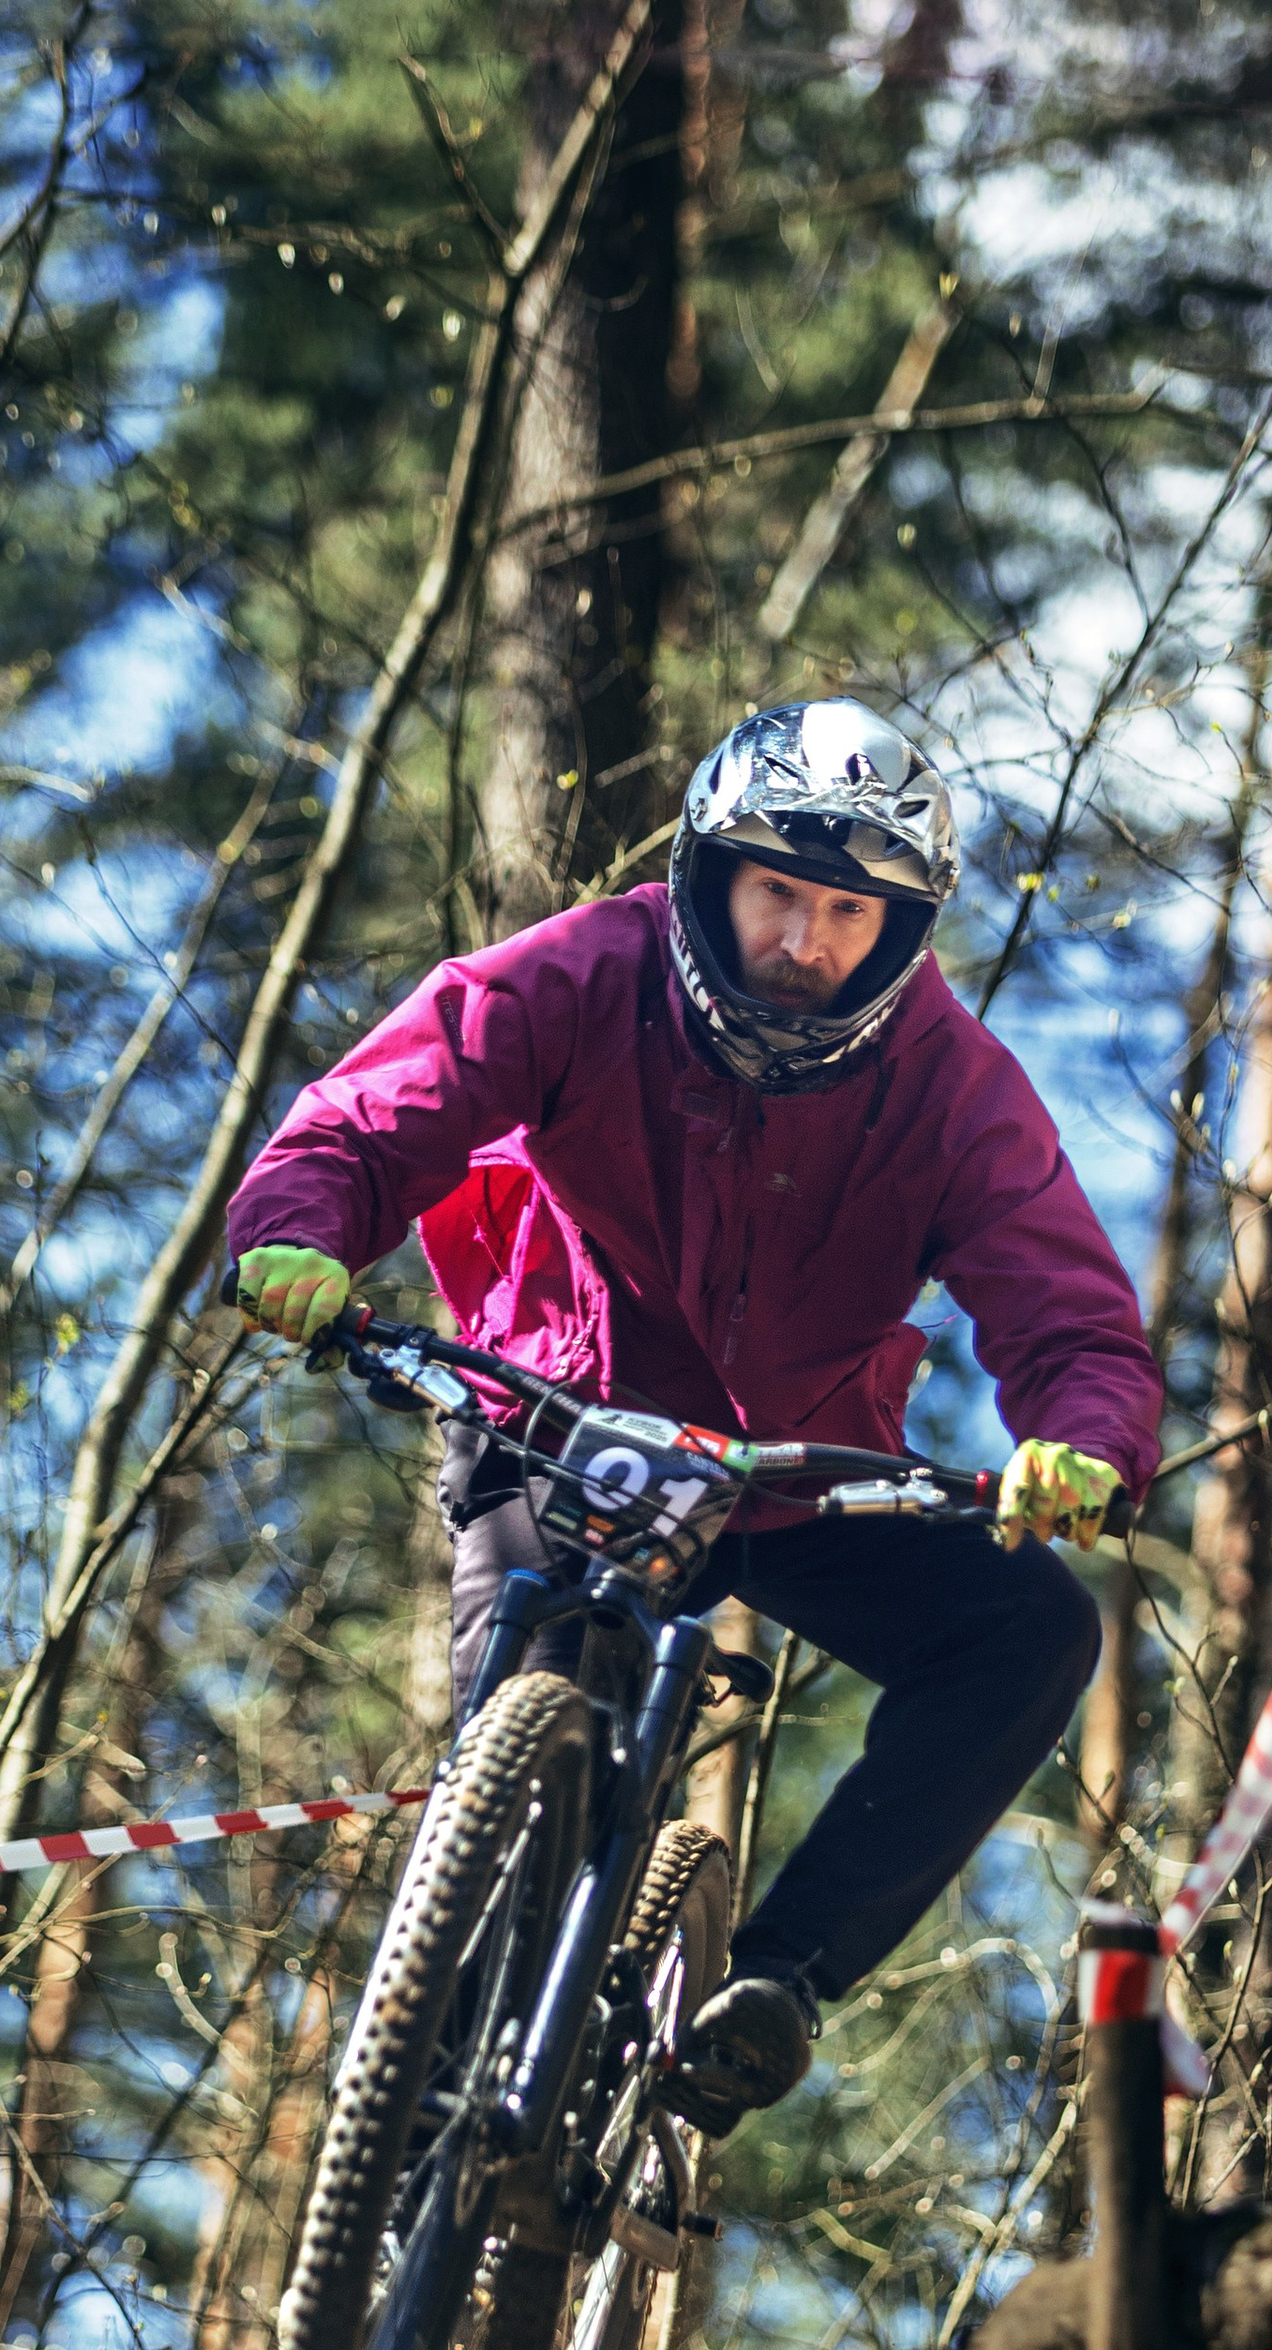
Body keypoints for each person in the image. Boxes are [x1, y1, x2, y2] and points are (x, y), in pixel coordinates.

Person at [225, 698, 1160, 2130]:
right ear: (707, 873)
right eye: (778, 892)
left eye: (849, 912)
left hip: (787, 1477)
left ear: (902, 929)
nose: (806, 942)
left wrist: (1086, 1441)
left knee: (1032, 1629)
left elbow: (1062, 1304)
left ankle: (777, 1981)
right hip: (553, 1422)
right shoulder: (588, 972)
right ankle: (425, 2113)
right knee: (526, 1715)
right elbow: (387, 1106)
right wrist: (302, 1227)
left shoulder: (955, 1090)